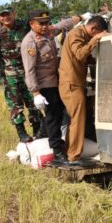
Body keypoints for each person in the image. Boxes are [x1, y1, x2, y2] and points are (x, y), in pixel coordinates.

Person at [21, 10, 84, 164]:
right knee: (53, 117)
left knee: (59, 113)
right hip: (44, 85)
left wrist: (81, 18)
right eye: (41, 23)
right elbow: (29, 70)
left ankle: (44, 137)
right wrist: (35, 93)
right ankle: (56, 151)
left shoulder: (48, 32)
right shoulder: (29, 42)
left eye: (47, 23)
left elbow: (63, 24)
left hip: (56, 80)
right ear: (31, 24)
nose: (45, 26)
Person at [0, 5, 44, 143]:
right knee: (15, 104)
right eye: (2, 15)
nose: (5, 17)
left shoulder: (25, 25)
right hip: (10, 74)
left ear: (13, 14)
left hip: (28, 72)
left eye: (8, 14)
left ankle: (38, 131)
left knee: (33, 102)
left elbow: (39, 25)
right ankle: (22, 134)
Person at [59, 16, 110, 165]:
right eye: (97, 33)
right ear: (94, 29)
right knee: (77, 120)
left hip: (75, 83)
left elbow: (84, 57)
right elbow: (80, 54)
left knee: (76, 120)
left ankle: (69, 151)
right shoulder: (76, 34)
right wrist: (95, 40)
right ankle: (73, 156)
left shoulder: (82, 35)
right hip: (71, 84)